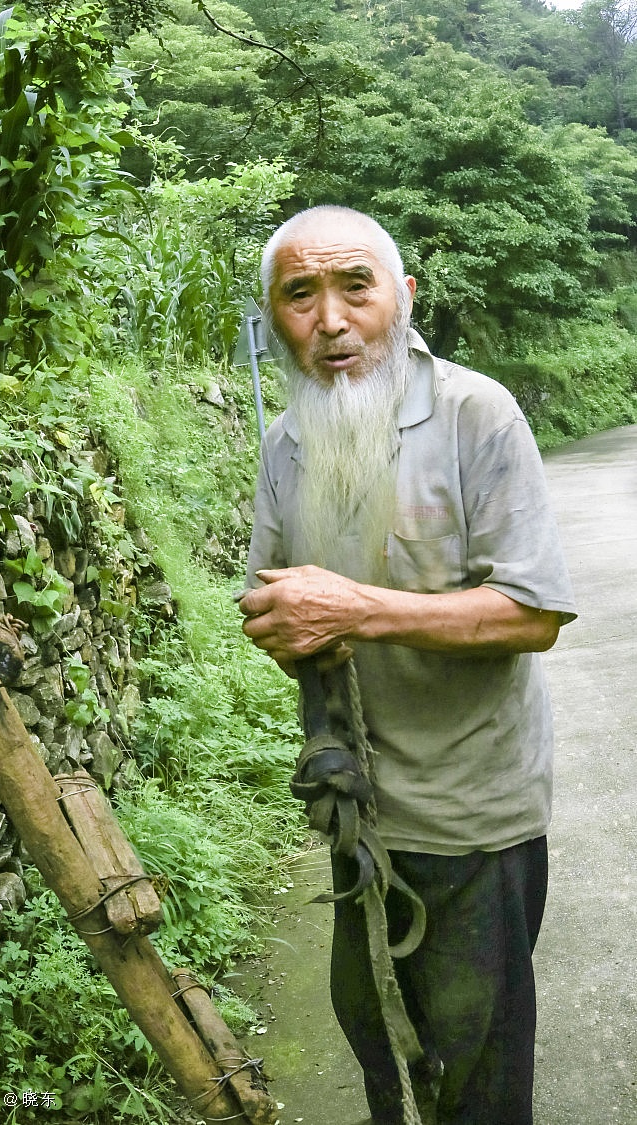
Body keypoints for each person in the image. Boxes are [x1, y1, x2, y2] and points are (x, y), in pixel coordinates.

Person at [238, 205, 577, 1125]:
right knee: (383, 1051)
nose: (332, 319)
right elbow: (273, 602)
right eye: (300, 295)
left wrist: (355, 609)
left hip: (474, 818)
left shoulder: (475, 414)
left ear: (405, 295)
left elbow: (535, 613)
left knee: (477, 1079)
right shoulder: (287, 441)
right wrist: (285, 627)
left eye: (357, 286)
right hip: (356, 816)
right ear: (274, 317)